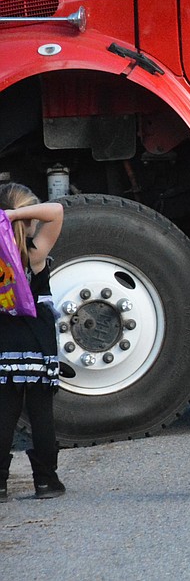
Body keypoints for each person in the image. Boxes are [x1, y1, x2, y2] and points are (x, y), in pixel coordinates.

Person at [0, 185, 65, 501]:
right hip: (37, 342)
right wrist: (14, 215)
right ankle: (45, 481)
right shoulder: (34, 251)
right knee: (41, 414)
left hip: (3, 341)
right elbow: (56, 211)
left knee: (4, 413)